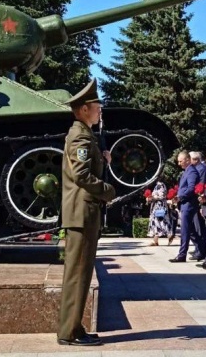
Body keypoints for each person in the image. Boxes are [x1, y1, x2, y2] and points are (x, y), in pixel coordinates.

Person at [58, 78, 115, 347]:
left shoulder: (85, 134)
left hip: (85, 212)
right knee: (78, 274)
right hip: (82, 213)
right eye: (96, 106)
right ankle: (69, 332)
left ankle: (74, 327)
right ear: (83, 109)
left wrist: (102, 158)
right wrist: (107, 190)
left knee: (81, 273)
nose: (99, 109)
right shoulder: (80, 135)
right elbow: (81, 175)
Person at [169, 151, 205, 262]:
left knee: (185, 230)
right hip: (185, 204)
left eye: (180, 161)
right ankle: (202, 250)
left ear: (187, 160)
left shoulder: (192, 172)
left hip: (188, 204)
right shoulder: (187, 171)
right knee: (191, 231)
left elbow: (191, 188)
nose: (179, 163)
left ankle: (182, 255)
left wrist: (180, 197)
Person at [146, 182, 174, 246]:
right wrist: (150, 198)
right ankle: (156, 240)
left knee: (161, 222)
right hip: (156, 207)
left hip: (160, 207)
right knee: (156, 223)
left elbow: (162, 196)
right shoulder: (157, 186)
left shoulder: (161, 185)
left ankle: (169, 236)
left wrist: (153, 197)